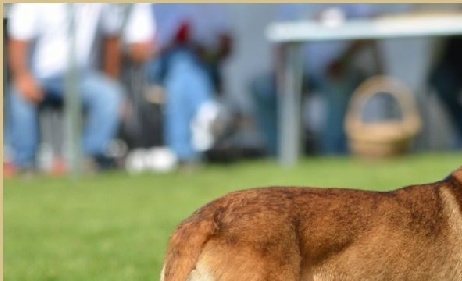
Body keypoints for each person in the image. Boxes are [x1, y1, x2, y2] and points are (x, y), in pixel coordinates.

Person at [5, 3, 128, 175]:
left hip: (82, 78)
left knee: (110, 95)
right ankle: (24, 163)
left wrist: (111, 81)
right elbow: (17, 42)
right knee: (18, 94)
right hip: (41, 78)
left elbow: (112, 39)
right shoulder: (30, 5)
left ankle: (86, 159)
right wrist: (23, 77)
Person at [250, 4, 383, 157]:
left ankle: (333, 153)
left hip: (343, 65)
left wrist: (342, 60)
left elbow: (371, 24)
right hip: (301, 69)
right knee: (261, 87)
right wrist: (280, 73)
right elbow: (279, 40)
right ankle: (282, 153)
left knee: (337, 85)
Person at [141, 4, 234, 167]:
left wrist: (205, 50)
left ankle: (184, 154)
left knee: (182, 76)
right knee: (182, 61)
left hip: (204, 65)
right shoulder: (149, 6)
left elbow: (227, 46)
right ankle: (206, 110)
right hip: (161, 66)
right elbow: (139, 50)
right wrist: (169, 45)